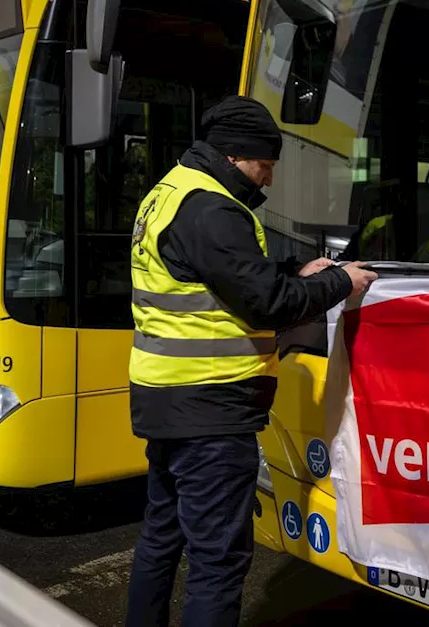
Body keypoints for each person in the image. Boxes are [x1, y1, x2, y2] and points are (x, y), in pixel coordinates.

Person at [124, 95, 377, 627]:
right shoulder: (212, 207)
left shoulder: (171, 194)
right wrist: (339, 282)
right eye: (266, 164)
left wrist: (293, 267)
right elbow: (269, 303)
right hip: (210, 410)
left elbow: (225, 274)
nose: (268, 179)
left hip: (166, 401)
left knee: (161, 539)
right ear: (238, 155)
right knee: (218, 562)